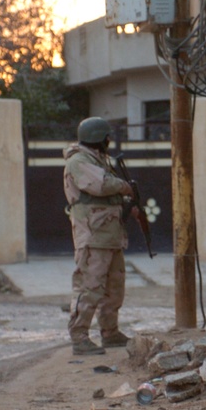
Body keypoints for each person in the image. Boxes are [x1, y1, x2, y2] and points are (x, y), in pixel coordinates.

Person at [63, 116, 135, 356]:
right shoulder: (78, 160)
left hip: (110, 234)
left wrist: (127, 202)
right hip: (93, 235)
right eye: (106, 137)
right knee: (90, 286)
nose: (109, 141)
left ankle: (110, 333)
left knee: (114, 287)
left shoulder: (99, 160)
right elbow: (101, 185)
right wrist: (125, 186)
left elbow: (108, 192)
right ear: (99, 138)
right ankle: (80, 336)